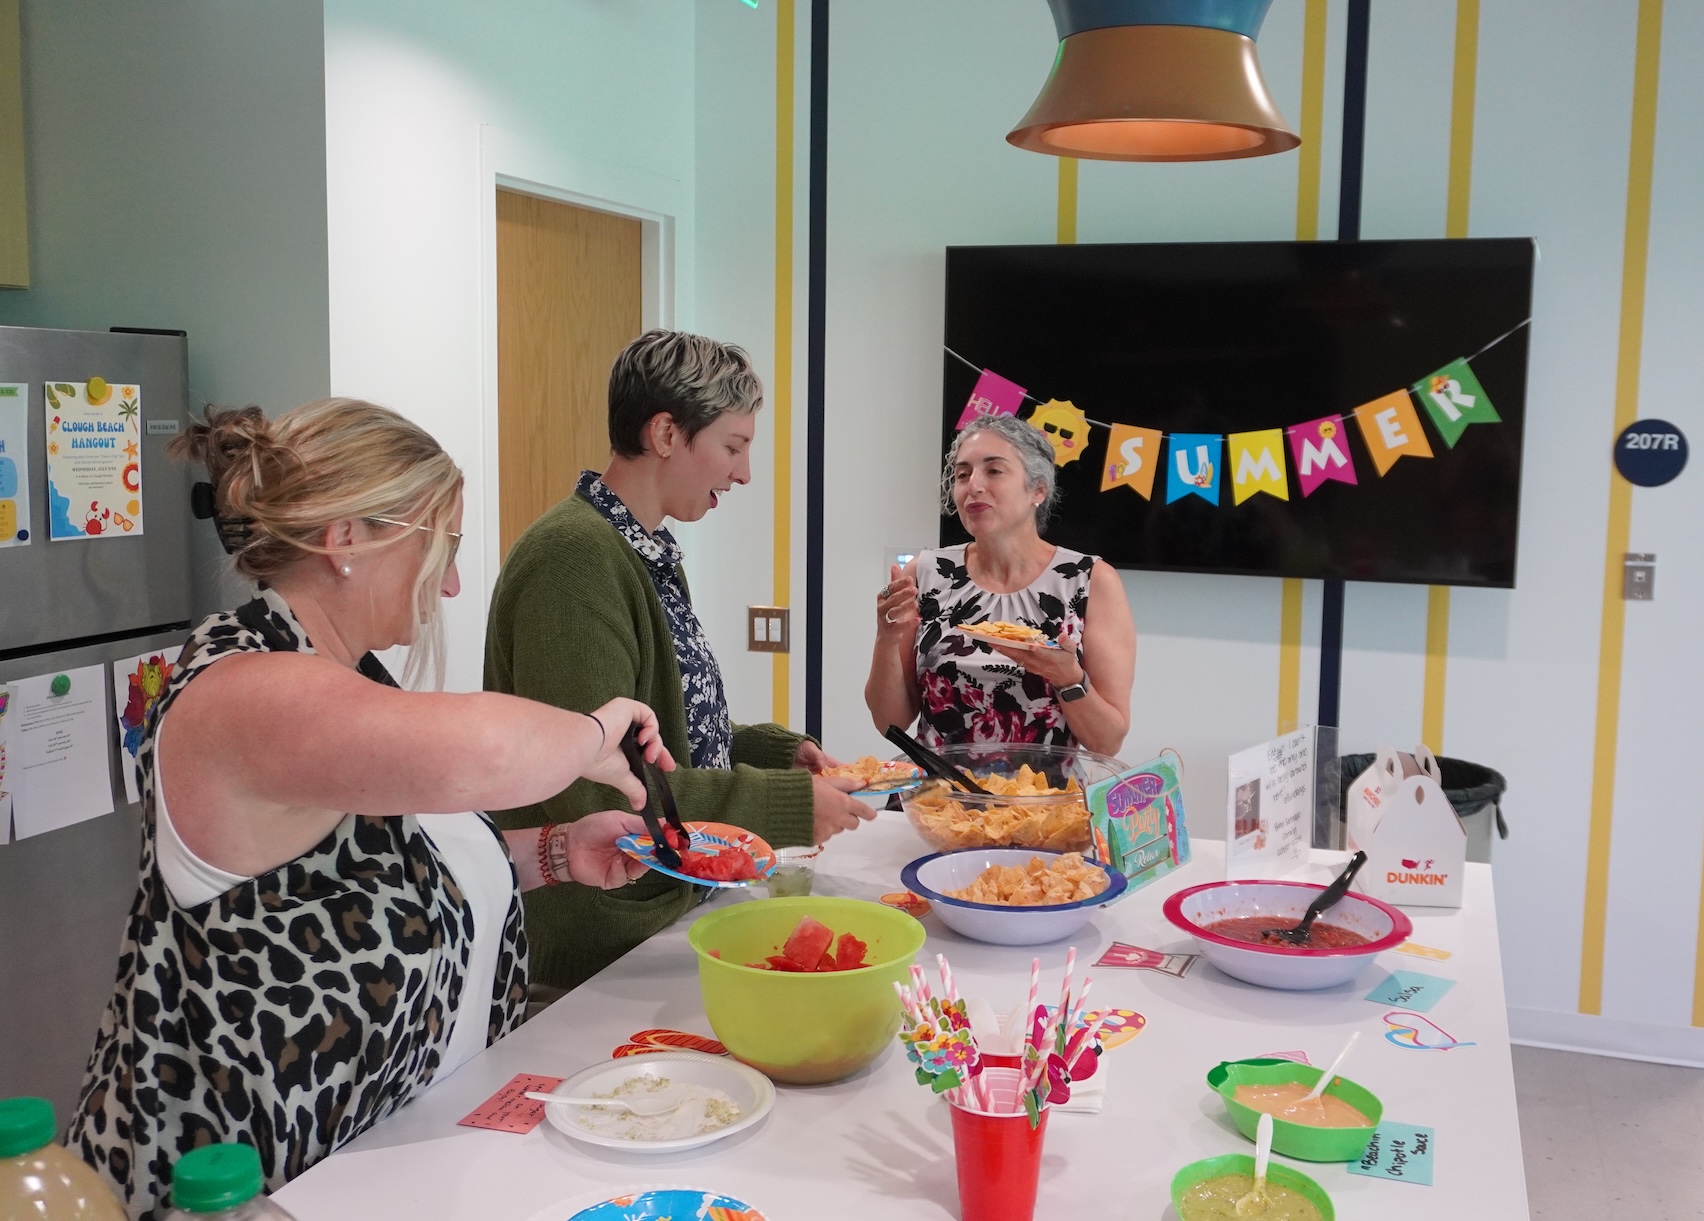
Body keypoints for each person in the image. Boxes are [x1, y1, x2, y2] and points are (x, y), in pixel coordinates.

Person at [66, 400, 673, 1221]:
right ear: (346, 538)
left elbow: (382, 874)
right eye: (443, 543)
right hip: (227, 1195)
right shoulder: (245, 690)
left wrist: (560, 850)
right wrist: (600, 728)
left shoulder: (346, 675)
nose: (452, 580)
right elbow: (488, 754)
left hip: (370, 1176)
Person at [485, 329, 874, 990]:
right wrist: (781, 804)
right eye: (733, 446)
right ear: (666, 433)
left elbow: (659, 737)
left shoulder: (642, 550)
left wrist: (770, 751)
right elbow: (597, 781)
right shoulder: (574, 559)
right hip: (600, 940)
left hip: (661, 909)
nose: (744, 472)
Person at [866, 413, 1135, 754]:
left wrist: (1069, 679)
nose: (973, 486)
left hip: (1041, 802)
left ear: (1038, 488)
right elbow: (888, 722)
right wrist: (886, 638)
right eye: (963, 474)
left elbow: (1107, 742)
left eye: (994, 470)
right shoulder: (927, 572)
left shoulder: (1090, 581)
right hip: (935, 799)